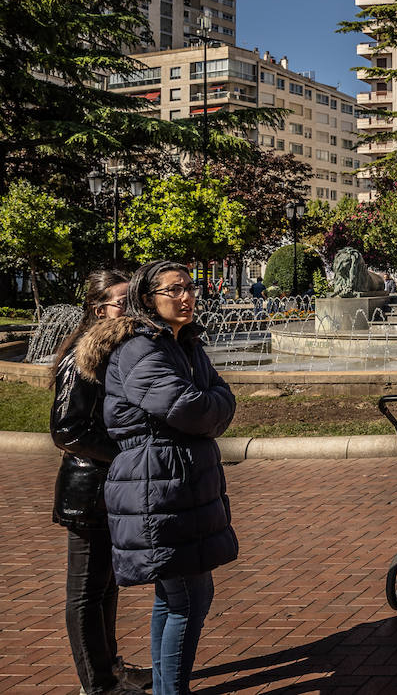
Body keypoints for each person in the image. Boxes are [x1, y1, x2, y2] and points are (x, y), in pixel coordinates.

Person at [96, 260, 237, 695]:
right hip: (157, 483)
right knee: (190, 598)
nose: (187, 296)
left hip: (176, 480)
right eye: (174, 289)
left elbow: (221, 398)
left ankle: (165, 689)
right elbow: (192, 409)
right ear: (147, 299)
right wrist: (209, 408)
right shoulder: (140, 349)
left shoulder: (185, 343)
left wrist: (210, 406)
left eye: (189, 287)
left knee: (175, 595)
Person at [49, 269, 152, 695]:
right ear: (98, 308)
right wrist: (126, 453)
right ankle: (98, 686)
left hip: (109, 486)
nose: (131, 309)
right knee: (86, 592)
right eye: (122, 302)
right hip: (87, 490)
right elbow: (66, 429)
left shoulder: (112, 349)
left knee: (107, 586)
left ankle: (111, 668)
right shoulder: (81, 355)